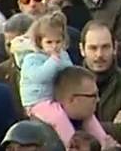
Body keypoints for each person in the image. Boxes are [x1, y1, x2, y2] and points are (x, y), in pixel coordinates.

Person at [18, 14, 111, 145]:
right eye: (49, 42)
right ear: (40, 42)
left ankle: (105, 141)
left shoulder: (63, 55)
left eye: (58, 42)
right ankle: (72, 144)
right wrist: (53, 61)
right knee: (58, 117)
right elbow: (40, 77)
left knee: (86, 113)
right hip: (37, 101)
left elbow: (69, 73)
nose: (54, 46)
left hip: (57, 97)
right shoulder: (32, 59)